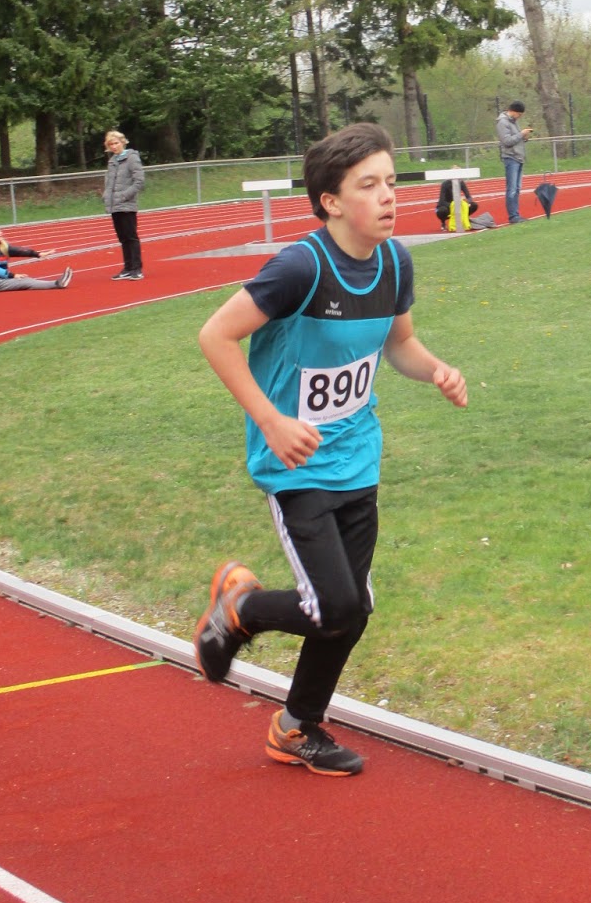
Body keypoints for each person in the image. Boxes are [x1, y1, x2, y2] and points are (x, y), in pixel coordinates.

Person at [193, 122, 467, 777]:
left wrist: (435, 370)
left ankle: (296, 728)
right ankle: (240, 608)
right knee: (335, 605)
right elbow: (215, 336)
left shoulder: (395, 263)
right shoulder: (301, 268)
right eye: (368, 185)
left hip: (357, 457)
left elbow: (399, 342)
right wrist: (270, 420)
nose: (388, 196)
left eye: (391, 182)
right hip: (296, 466)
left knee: (352, 609)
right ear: (331, 202)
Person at [103, 130, 145, 279]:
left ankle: (136, 269)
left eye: (116, 143)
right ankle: (127, 268)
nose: (114, 146)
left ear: (122, 142)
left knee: (131, 237)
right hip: (114, 205)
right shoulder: (112, 161)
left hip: (126, 205)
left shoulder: (132, 158)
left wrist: (124, 196)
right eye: (111, 144)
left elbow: (139, 182)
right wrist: (106, 196)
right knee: (123, 238)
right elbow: (109, 182)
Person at [495, 101, 531, 224]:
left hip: (519, 157)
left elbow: (516, 139)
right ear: (514, 111)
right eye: (519, 114)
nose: (519, 117)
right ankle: (513, 216)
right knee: (512, 189)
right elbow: (507, 141)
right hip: (511, 157)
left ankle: (516, 214)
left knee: (517, 188)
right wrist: (521, 134)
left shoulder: (513, 122)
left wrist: (524, 138)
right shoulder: (503, 122)